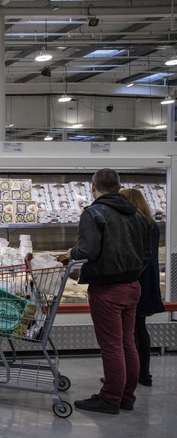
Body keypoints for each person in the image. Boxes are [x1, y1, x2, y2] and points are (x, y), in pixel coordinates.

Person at [67, 169, 150, 415]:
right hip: (132, 286)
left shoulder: (93, 213)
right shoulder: (137, 214)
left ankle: (110, 398)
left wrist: (71, 253)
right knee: (127, 342)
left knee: (111, 345)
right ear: (119, 186)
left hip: (107, 289)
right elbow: (147, 253)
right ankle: (127, 396)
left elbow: (87, 251)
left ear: (93, 187)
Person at [120, 188, 166, 387]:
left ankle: (128, 375)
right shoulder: (151, 224)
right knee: (140, 328)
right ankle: (143, 374)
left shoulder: (134, 224)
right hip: (148, 281)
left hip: (134, 280)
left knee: (128, 332)